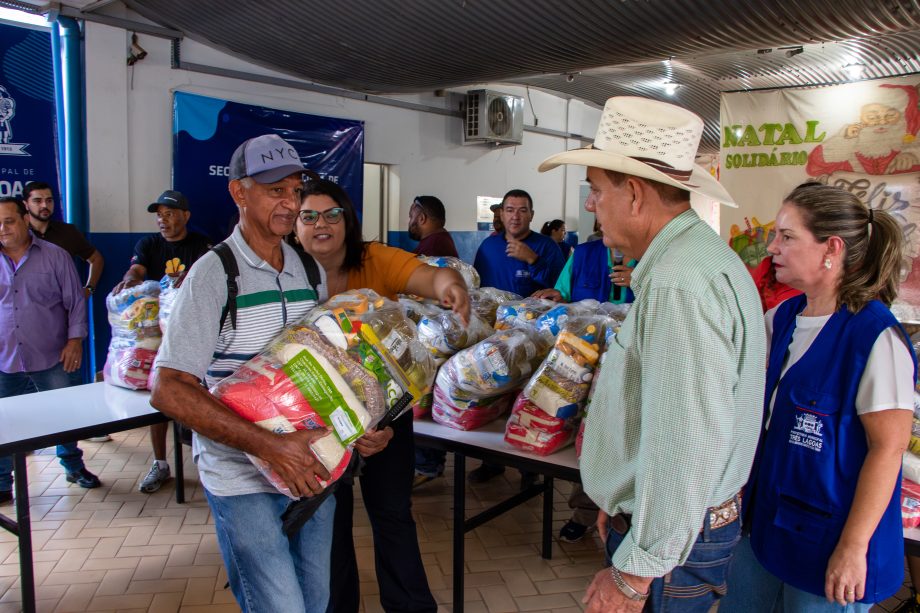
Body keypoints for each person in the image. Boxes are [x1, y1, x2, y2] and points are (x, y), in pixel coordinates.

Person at [538, 96, 765, 612]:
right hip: (668, 521)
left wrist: (637, 568)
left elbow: (686, 438)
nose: (592, 205)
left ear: (635, 194)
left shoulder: (679, 282)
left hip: (673, 540)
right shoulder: (693, 260)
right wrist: (624, 499)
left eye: (596, 190)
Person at [150, 134, 336, 613]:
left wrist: (357, 430)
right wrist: (272, 448)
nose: (290, 203)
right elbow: (168, 389)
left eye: (295, 191)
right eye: (276, 190)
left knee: (315, 603)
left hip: (310, 473)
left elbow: (325, 370)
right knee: (282, 607)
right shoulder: (214, 274)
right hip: (241, 480)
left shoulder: (309, 270)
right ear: (239, 192)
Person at [720, 184, 915, 612]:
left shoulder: (874, 337)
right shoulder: (781, 319)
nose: (772, 247)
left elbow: (889, 448)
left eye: (787, 237)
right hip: (766, 526)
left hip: (831, 541)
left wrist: (853, 547)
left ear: (832, 248)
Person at [293, 178, 469, 613]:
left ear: (348, 220)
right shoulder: (286, 271)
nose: (321, 224)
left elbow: (429, 274)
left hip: (385, 411)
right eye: (308, 215)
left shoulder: (373, 257)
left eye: (332, 214)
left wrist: (452, 288)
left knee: (391, 514)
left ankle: (410, 606)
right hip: (317, 421)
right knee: (327, 525)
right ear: (293, 225)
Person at [532, 238, 637, 543]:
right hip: (580, 361)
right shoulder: (584, 255)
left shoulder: (654, 257)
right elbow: (564, 292)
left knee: (618, 434)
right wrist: (556, 295)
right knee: (585, 436)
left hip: (627, 364)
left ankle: (624, 511)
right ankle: (585, 511)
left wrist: (641, 281)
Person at [0, 196, 101, 505]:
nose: (2, 228)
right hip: (5, 358)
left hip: (52, 354)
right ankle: (3, 482)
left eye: (9, 220)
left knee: (64, 416)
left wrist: (75, 341)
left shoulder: (55, 256)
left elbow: (74, 301)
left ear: (25, 219)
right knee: (3, 423)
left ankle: (73, 466)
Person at [113, 190, 211, 494]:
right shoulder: (148, 245)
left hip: (193, 336)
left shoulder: (200, 245)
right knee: (156, 400)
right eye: (159, 215)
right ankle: (160, 463)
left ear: (185, 215)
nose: (162, 220)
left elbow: (210, 277)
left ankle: (207, 462)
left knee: (202, 400)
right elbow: (137, 269)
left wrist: (192, 278)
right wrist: (131, 279)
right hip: (155, 338)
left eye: (169, 214)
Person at [408, 195, 459, 486]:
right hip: (435, 333)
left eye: (411, 216)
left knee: (422, 396)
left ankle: (426, 464)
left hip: (434, 335)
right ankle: (428, 462)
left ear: (423, 218)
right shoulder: (439, 244)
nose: (409, 223)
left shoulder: (433, 249)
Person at [473, 189, 565, 298]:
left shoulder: (547, 246)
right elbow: (476, 285)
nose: (515, 217)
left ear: (531, 215)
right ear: (502, 215)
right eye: (510, 210)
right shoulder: (487, 247)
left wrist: (534, 260)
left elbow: (561, 289)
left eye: (522, 210)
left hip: (533, 314)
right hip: (493, 314)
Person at [23, 181, 104, 299]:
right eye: (38, 201)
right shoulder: (19, 234)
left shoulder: (67, 232)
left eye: (49, 200)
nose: (45, 205)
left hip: (63, 305)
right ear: (26, 204)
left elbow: (96, 259)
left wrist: (89, 288)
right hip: (28, 305)